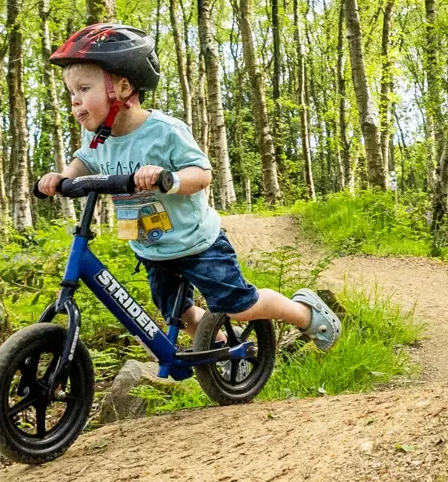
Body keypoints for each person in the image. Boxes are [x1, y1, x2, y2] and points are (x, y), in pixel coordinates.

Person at [36, 22, 341, 352]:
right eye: (71, 93)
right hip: (152, 249)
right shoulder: (97, 136)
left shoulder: (165, 131)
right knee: (178, 315)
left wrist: (169, 179)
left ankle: (307, 314)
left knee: (239, 306)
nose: (74, 101)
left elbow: (203, 174)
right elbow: (84, 161)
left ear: (122, 88)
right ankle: (221, 353)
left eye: (83, 89)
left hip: (196, 243)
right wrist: (63, 176)